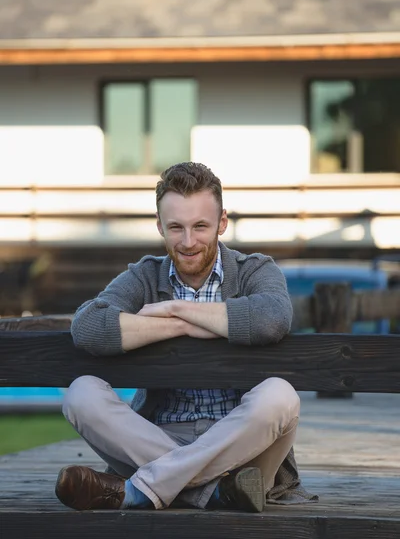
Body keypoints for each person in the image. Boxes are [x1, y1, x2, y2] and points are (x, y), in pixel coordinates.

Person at [55, 162, 315, 513]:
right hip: (159, 437)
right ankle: (217, 492)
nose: (188, 241)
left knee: (281, 397)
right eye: (176, 227)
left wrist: (176, 310)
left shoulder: (255, 270)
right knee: (81, 394)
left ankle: (138, 489)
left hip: (243, 447)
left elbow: (272, 318)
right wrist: (178, 325)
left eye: (200, 226)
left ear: (222, 222)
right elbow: (88, 326)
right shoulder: (144, 276)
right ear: (160, 225)